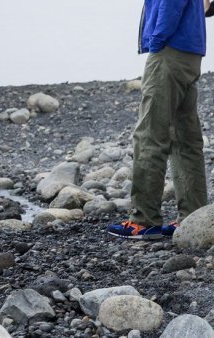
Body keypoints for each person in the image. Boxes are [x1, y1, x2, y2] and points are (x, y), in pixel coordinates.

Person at [108, 0, 208, 239]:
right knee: (185, 139)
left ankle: (144, 221)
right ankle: (193, 218)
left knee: (150, 136)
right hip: (191, 51)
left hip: (170, 51)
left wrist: (157, 41)